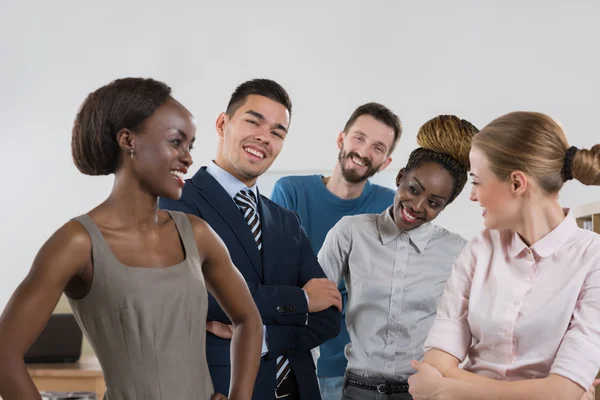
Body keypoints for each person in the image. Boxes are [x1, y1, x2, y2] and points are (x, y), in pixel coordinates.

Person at [0, 78, 263, 400]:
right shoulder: (77, 243)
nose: (188, 158)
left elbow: (248, 319)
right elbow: (4, 354)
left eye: (190, 146)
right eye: (175, 142)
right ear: (128, 141)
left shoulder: (197, 233)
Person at [159, 78, 342, 400]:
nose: (263, 137)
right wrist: (301, 300)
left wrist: (264, 336)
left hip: (299, 389)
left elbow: (328, 315)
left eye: (277, 132)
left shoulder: (286, 219)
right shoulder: (178, 201)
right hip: (222, 389)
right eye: (253, 121)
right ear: (222, 123)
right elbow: (201, 298)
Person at [409, 111, 600, 400]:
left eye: (476, 181)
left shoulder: (593, 259)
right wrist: (545, 391)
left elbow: (561, 391)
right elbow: (437, 362)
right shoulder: (479, 250)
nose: (472, 196)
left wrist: (447, 389)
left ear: (516, 183)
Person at [318, 115, 479, 399]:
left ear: (445, 206)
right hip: (358, 390)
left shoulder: (459, 251)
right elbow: (313, 303)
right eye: (413, 189)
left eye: (433, 203)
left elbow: (475, 327)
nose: (416, 206)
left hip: (421, 391)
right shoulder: (351, 232)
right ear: (400, 176)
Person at [271, 102, 402, 400]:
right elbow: (281, 278)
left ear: (386, 161)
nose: (364, 151)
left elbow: (387, 288)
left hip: (365, 369)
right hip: (298, 358)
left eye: (377, 147)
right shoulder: (290, 191)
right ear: (341, 139)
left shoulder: (390, 206)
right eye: (359, 138)